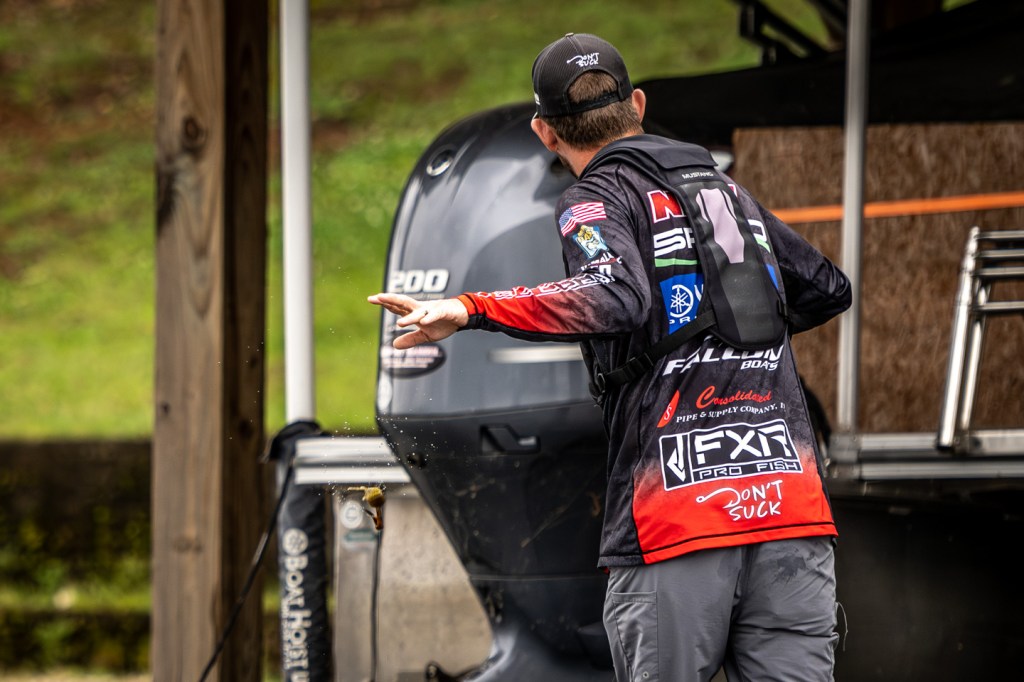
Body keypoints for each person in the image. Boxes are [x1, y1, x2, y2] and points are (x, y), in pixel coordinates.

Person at [369, 33, 851, 682]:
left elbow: (614, 298)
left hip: (677, 520)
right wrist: (738, 338)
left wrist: (471, 308)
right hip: (789, 512)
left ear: (545, 132)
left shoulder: (592, 200)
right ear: (639, 105)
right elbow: (827, 287)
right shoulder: (725, 192)